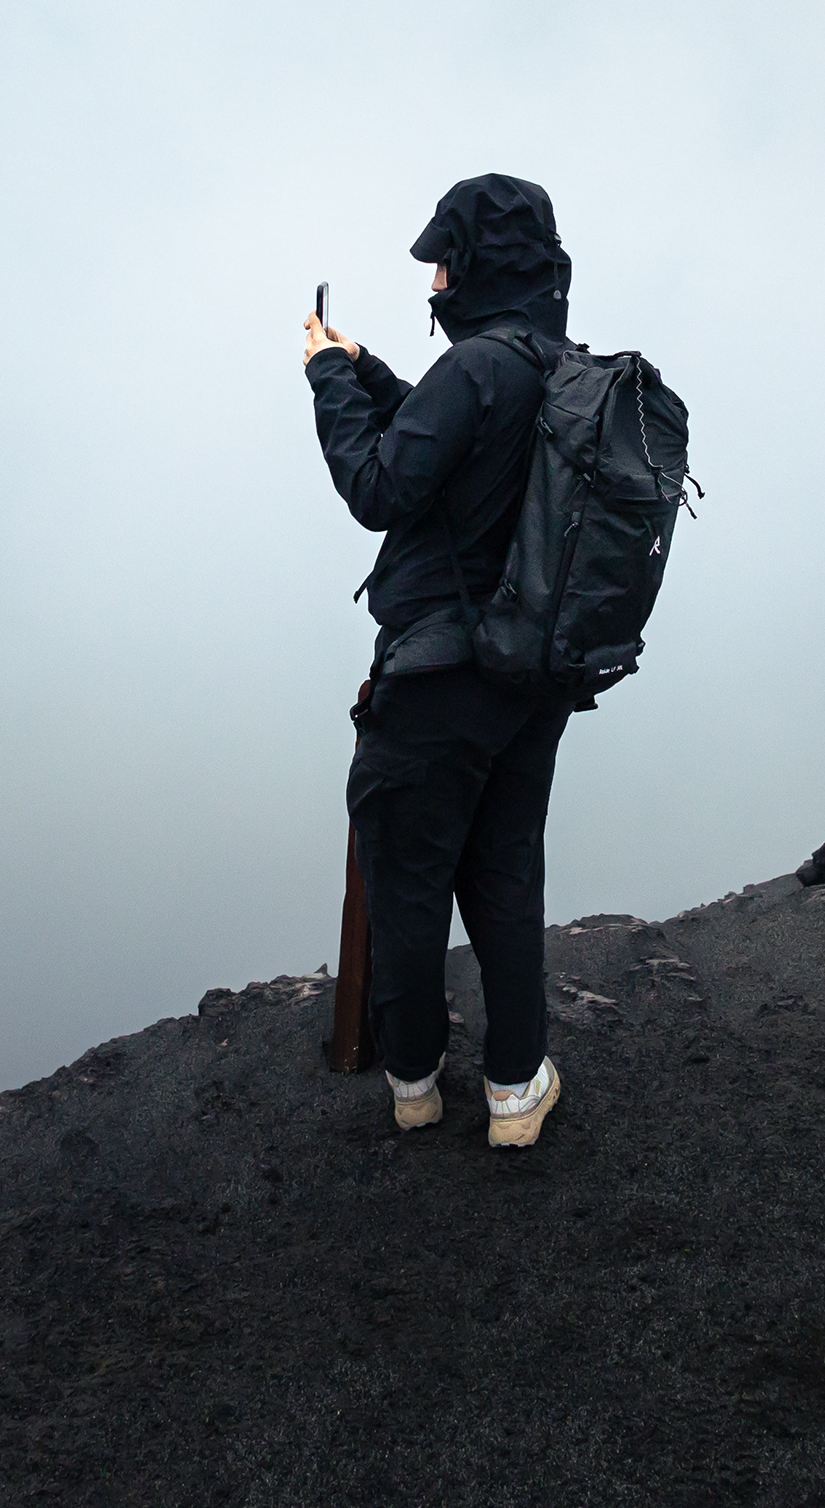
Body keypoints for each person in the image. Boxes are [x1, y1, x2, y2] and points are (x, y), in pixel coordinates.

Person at [302, 172, 579, 1150]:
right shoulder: (558, 367)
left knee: (409, 878)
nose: (434, 282)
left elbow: (382, 486)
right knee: (504, 873)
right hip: (532, 675)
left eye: (444, 262)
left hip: (435, 676)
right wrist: (365, 365)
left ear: (478, 261)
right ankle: (515, 1092)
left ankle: (415, 1082)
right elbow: (446, 438)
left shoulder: (474, 368)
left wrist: (325, 380)